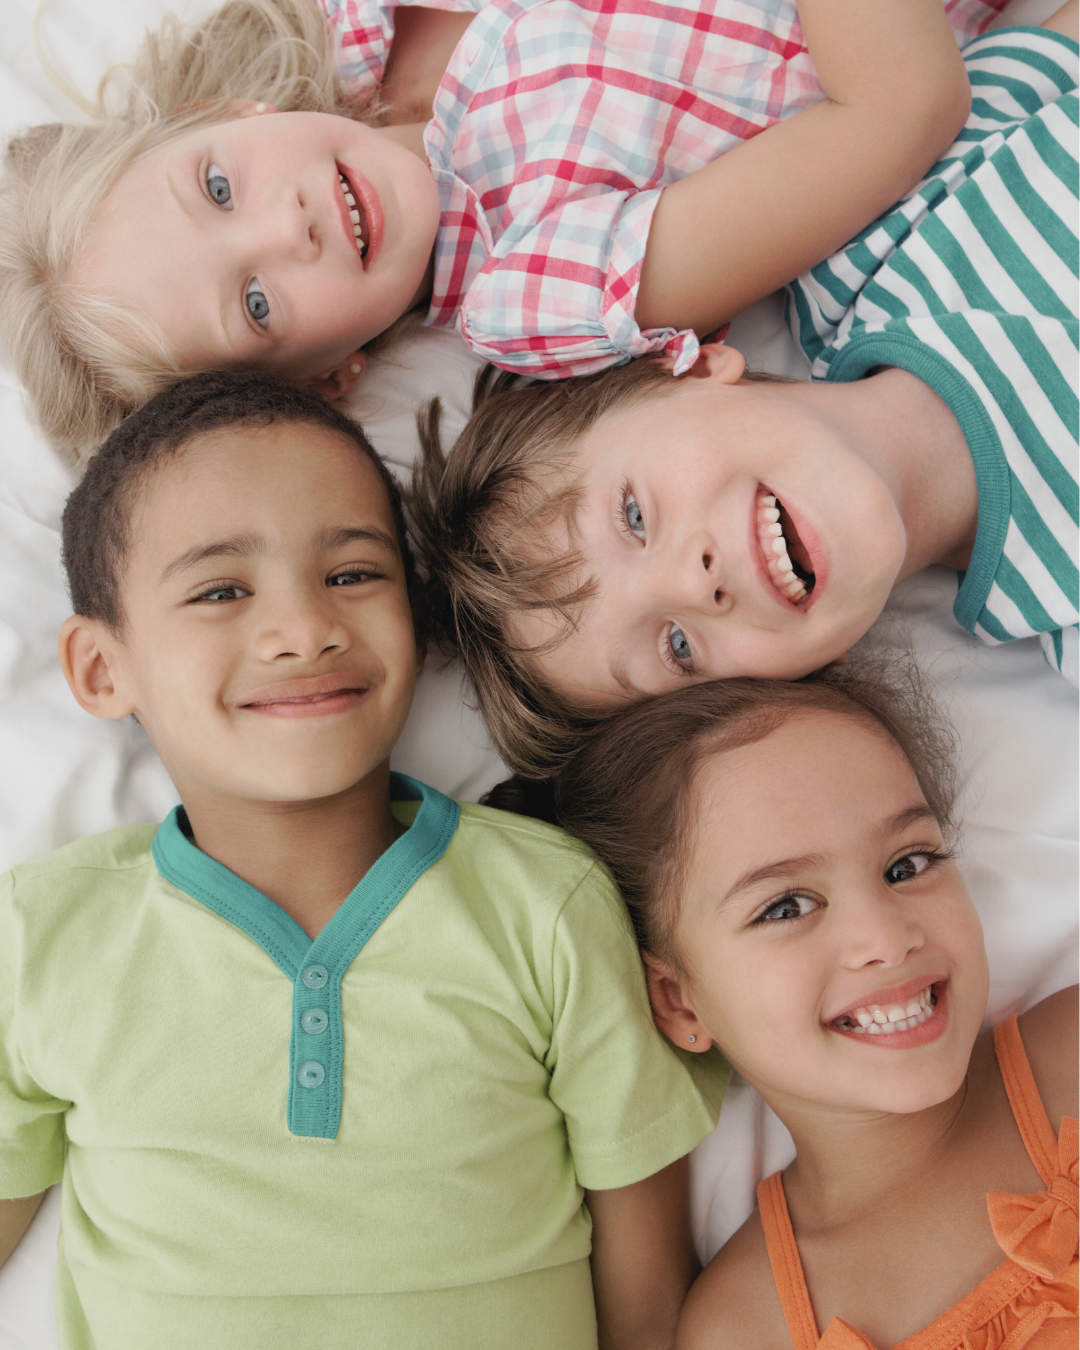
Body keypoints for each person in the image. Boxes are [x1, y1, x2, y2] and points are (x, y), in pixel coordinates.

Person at [0, 370, 726, 1350]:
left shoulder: (548, 908)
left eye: (351, 574)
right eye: (220, 590)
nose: (305, 629)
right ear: (101, 667)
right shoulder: (44, 937)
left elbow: (645, 1298)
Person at [407, 13, 1079, 778]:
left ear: (686, 370)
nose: (695, 583)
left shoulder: (870, 248)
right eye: (676, 647)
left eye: (633, 515)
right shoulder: (1065, 611)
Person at [0, 0, 978, 458]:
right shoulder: (538, 282)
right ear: (327, 377)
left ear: (227, 111)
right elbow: (900, 106)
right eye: (255, 301)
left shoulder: (366, 21)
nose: (286, 225)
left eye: (216, 186)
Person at [546, 671, 1078, 1347]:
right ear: (680, 1000)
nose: (886, 938)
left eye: (908, 864)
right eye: (786, 906)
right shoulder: (745, 1325)